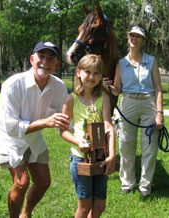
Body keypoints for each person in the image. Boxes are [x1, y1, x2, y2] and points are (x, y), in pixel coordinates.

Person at [0, 41, 70, 218]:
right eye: (41, 56)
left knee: (43, 181)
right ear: (32, 59)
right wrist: (46, 122)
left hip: (33, 137)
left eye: (51, 58)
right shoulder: (13, 85)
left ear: (56, 64)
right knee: (22, 182)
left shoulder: (59, 87)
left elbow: (66, 120)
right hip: (7, 137)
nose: (45, 62)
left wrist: (84, 134)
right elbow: (11, 127)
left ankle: (25, 214)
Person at [103, 25, 164, 197]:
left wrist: (159, 113)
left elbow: (158, 88)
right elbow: (117, 89)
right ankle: (127, 183)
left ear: (143, 40)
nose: (133, 38)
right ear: (128, 38)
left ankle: (145, 186)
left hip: (148, 103)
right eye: (131, 35)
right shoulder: (121, 63)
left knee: (149, 147)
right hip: (128, 103)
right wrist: (107, 86)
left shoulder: (151, 61)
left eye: (137, 36)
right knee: (126, 145)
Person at [60, 54, 115, 217]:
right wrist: (78, 142)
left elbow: (108, 126)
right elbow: (63, 131)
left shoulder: (104, 98)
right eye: (88, 72)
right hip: (80, 158)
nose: (92, 76)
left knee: (99, 205)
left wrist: (112, 155)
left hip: (100, 157)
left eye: (97, 73)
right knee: (84, 206)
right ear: (78, 72)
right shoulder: (71, 100)